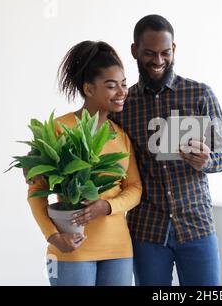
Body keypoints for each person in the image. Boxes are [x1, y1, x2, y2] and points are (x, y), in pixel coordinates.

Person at [109, 14, 222, 286]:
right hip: (146, 230)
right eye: (149, 53)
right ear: (134, 51)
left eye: (165, 53)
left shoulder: (199, 94)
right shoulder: (124, 105)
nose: (158, 61)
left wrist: (206, 161)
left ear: (174, 49)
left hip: (197, 225)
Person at [27, 41, 142, 286]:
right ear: (89, 89)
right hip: (71, 247)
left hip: (119, 250)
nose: (122, 92)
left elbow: (135, 189)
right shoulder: (58, 128)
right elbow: (36, 191)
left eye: (124, 84)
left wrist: (107, 206)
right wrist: (53, 236)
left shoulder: (121, 136)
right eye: (111, 86)